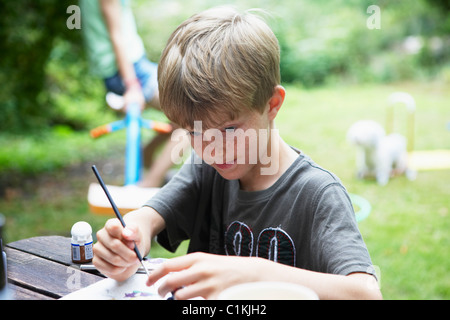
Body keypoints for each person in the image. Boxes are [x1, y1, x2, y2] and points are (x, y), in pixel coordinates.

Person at [92, 6, 382, 300]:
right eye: (194, 133)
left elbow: (366, 294)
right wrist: (127, 240)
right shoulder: (206, 171)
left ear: (272, 104)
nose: (212, 149)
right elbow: (149, 218)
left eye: (229, 130)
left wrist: (255, 273)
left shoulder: (318, 195)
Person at [80, 0, 183, 187]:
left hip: (129, 68)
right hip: (129, 71)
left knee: (185, 115)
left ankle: (148, 156)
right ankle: (149, 185)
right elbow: (116, 34)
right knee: (193, 117)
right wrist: (132, 85)